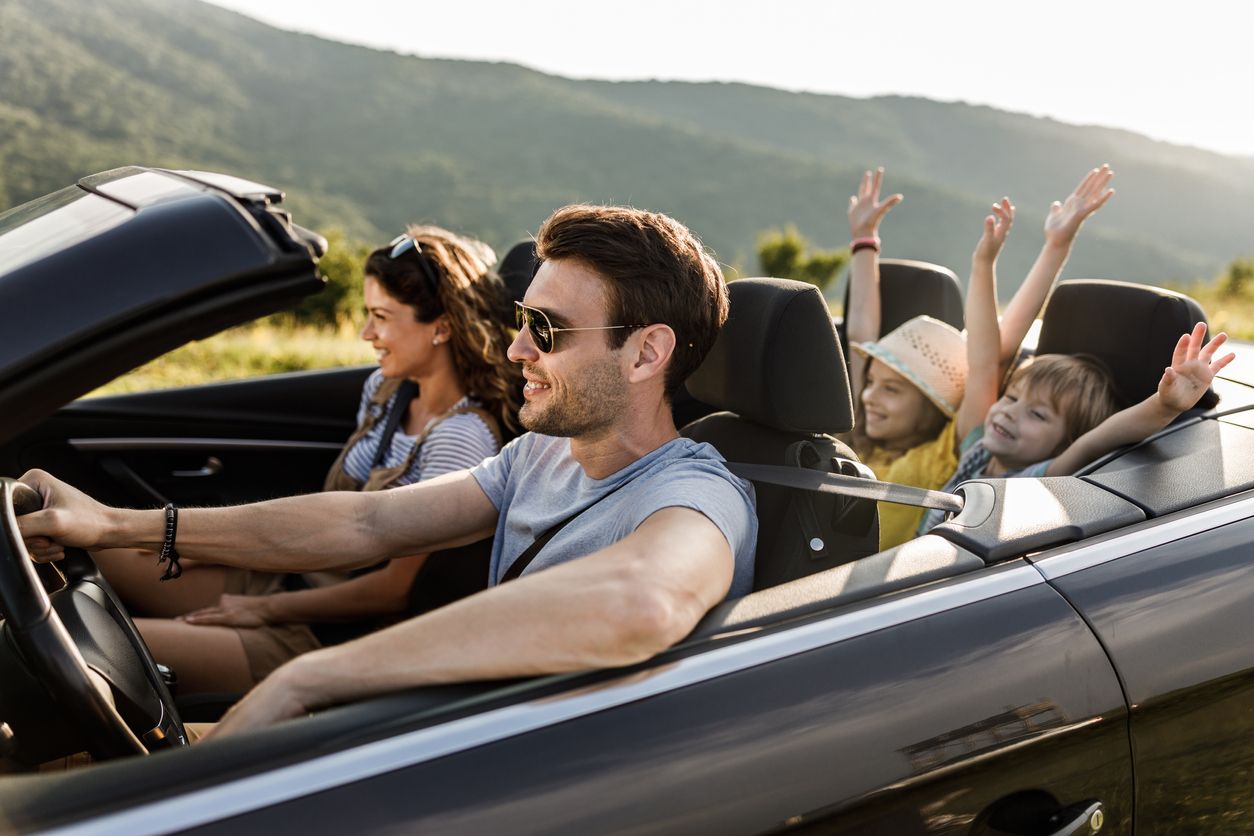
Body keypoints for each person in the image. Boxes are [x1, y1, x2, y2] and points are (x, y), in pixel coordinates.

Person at [18, 204, 757, 739]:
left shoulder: (694, 494)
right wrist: (116, 524)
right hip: (459, 736)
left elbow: (641, 604)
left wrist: (311, 678)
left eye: (546, 331)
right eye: (519, 323)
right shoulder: (541, 454)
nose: (515, 353)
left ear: (646, 353)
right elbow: (367, 520)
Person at [91, 226, 522, 695]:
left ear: (440, 326)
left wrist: (262, 612)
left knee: (93, 645)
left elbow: (391, 592)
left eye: (381, 316)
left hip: (326, 631)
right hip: (289, 576)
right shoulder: (386, 393)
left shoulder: (460, 440)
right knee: (93, 551)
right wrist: (203, 548)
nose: (366, 333)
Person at [917, 199, 1234, 532]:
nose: (1009, 412)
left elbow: (1100, 438)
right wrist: (984, 262)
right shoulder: (976, 446)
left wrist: (1165, 405)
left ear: (1063, 443)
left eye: (1038, 415)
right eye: (1011, 398)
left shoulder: (1039, 478)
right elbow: (983, 361)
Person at [843, 165, 1117, 548]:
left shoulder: (945, 453)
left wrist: (1054, 247)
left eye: (892, 389)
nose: (870, 396)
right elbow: (860, 331)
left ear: (932, 405)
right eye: (872, 382)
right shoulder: (858, 422)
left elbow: (990, 360)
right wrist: (864, 241)